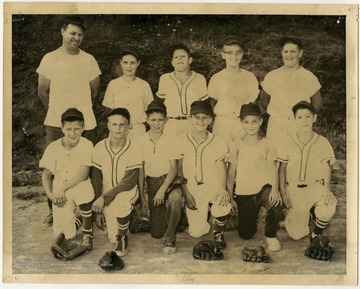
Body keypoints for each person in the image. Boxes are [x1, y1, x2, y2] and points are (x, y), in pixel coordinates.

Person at [36, 15, 101, 226]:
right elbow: (42, 90)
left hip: (86, 122)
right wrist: (57, 113)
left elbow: (95, 92)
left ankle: (90, 210)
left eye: (80, 35)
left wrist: (80, 116)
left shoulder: (89, 59)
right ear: (63, 32)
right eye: (72, 33)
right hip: (56, 123)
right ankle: (54, 209)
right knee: (55, 167)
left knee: (89, 166)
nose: (76, 38)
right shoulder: (49, 58)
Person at [226, 102, 282, 252]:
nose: (250, 126)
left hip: (263, 189)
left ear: (261, 122)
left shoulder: (267, 144)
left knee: (276, 204)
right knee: (246, 234)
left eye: (254, 122)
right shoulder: (235, 144)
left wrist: (275, 190)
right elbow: (231, 173)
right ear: (241, 123)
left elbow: (273, 168)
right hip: (244, 193)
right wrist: (231, 197)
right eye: (246, 122)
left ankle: (271, 235)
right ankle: (247, 219)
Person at [278, 101, 337, 243]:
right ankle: (305, 214)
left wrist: (327, 190)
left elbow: (326, 167)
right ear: (295, 120)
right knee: (296, 234)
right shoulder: (287, 141)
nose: (304, 121)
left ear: (314, 118)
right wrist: (283, 194)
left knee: (328, 206)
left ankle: (316, 232)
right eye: (300, 117)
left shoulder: (322, 142)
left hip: (315, 186)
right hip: (294, 188)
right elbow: (282, 169)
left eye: (308, 116)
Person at [177, 101, 231, 248]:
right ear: (190, 118)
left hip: (212, 184)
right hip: (192, 187)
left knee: (222, 203)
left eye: (205, 117)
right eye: (196, 117)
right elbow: (179, 170)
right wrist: (186, 192)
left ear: (211, 120)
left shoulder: (217, 141)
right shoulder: (181, 139)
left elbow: (221, 167)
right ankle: (204, 218)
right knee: (196, 232)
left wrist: (222, 188)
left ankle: (218, 232)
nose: (200, 121)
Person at [39, 108, 94, 250]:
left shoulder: (87, 144)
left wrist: (62, 189)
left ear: (83, 128)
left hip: (79, 183)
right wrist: (51, 195)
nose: (72, 133)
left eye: (77, 129)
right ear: (62, 128)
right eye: (68, 129)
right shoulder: (53, 147)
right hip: (60, 186)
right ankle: (79, 219)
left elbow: (83, 173)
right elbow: (46, 174)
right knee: (68, 236)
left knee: (84, 190)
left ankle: (88, 232)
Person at [91, 108, 142, 257]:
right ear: (108, 125)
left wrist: (104, 198)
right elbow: (96, 177)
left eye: (122, 124)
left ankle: (123, 238)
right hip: (105, 193)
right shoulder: (100, 146)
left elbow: (129, 181)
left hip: (127, 191)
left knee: (121, 204)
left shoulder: (135, 147)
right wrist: (98, 206)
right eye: (114, 124)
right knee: (111, 235)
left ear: (128, 127)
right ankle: (124, 225)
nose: (118, 128)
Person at [260, 36, 322, 153]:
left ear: (300, 53)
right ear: (282, 53)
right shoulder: (272, 75)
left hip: (298, 124)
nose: (289, 55)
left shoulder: (309, 77)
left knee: (297, 157)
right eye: (286, 51)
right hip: (277, 124)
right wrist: (276, 113)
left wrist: (305, 118)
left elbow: (317, 102)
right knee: (275, 157)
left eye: (293, 51)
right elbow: (263, 100)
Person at [138, 100, 184, 254]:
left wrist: (162, 190)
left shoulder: (172, 139)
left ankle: (170, 238)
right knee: (156, 233)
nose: (156, 124)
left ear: (166, 120)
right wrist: (143, 198)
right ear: (147, 120)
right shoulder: (141, 141)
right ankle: (176, 218)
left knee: (175, 198)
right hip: (152, 182)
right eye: (153, 120)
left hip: (169, 181)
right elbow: (141, 170)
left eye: (160, 120)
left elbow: (173, 169)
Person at [208, 36, 259, 146]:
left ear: (242, 54)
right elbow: (211, 104)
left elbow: (253, 105)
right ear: (223, 54)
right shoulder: (217, 78)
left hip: (243, 124)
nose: (234, 56)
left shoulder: (250, 77)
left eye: (238, 52)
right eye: (229, 52)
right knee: (221, 157)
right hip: (222, 124)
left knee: (242, 158)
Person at [157, 43, 208, 136]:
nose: (179, 59)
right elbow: (161, 103)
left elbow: (204, 104)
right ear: (172, 62)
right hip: (171, 123)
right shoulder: (165, 78)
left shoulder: (199, 78)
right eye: (176, 57)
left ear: (190, 60)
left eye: (183, 56)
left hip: (192, 123)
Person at [102, 46, 153, 140]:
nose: (129, 66)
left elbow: (149, 111)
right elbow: (108, 111)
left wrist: (144, 127)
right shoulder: (113, 84)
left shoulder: (144, 85)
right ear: (120, 63)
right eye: (125, 62)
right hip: (118, 130)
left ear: (138, 63)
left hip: (138, 132)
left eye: (132, 63)